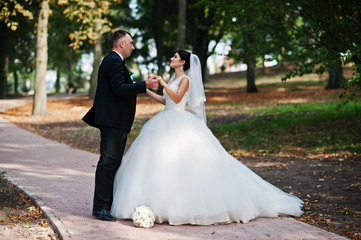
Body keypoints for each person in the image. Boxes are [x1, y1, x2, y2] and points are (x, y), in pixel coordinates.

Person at [110, 50, 303, 225]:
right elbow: (166, 100)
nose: (171, 58)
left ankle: (186, 209)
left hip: (179, 122)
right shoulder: (172, 79)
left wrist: (161, 83)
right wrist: (148, 90)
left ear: (183, 62)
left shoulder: (185, 79)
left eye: (175, 57)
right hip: (164, 119)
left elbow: (177, 99)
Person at [82, 30, 158, 221]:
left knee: (112, 163)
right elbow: (119, 89)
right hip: (113, 121)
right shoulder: (114, 61)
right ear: (121, 44)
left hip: (115, 121)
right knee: (108, 163)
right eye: (131, 43)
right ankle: (100, 208)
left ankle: (106, 205)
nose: (133, 47)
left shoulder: (114, 61)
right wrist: (144, 85)